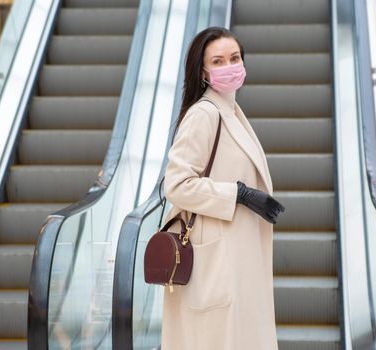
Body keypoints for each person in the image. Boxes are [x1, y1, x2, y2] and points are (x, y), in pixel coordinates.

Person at [160, 27, 285, 350]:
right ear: (203, 72)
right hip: (216, 255)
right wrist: (239, 194)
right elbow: (176, 184)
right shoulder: (204, 114)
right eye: (218, 61)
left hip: (233, 253)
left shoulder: (230, 111)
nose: (230, 66)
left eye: (235, 58)